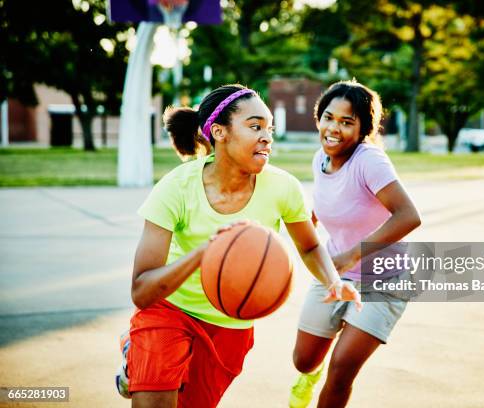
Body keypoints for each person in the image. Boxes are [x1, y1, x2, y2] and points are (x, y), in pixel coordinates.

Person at [114, 84, 361, 408]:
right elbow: (142, 291)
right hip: (168, 309)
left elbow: (310, 247)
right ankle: (140, 350)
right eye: (255, 126)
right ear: (219, 132)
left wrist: (333, 279)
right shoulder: (177, 187)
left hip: (230, 322)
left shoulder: (282, 187)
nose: (267, 137)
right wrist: (204, 254)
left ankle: (138, 358)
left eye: (269, 128)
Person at [289, 80, 421, 408]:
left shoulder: (369, 161)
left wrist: (352, 255)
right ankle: (308, 376)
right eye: (329, 118)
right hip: (334, 273)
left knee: (341, 371)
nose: (334, 128)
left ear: (363, 128)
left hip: (383, 280)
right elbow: (325, 203)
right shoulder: (321, 157)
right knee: (304, 360)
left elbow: (408, 216)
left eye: (347, 122)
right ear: (319, 118)